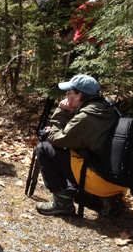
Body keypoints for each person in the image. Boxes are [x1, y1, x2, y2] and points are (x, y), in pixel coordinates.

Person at [34, 74, 126, 216]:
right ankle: (106, 197)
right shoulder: (109, 109)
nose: (67, 96)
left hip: (98, 179)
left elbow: (55, 139)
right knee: (81, 154)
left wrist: (62, 111)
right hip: (118, 181)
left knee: (44, 148)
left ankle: (62, 203)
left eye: (69, 93)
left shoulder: (86, 117)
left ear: (79, 95)